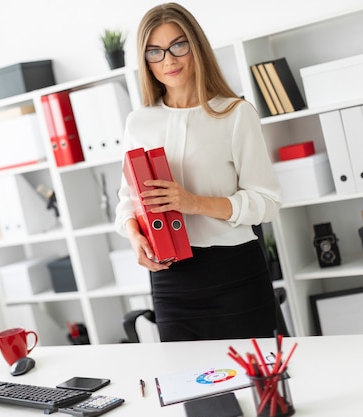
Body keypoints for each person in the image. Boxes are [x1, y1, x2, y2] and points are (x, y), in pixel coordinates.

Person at [114, 2, 282, 342]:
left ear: (196, 45)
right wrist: (136, 239)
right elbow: (127, 204)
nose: (169, 60)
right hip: (171, 280)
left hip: (234, 274)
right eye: (155, 52)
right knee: (190, 387)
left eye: (178, 45)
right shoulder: (139, 122)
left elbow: (267, 202)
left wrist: (194, 203)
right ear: (145, 60)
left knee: (258, 385)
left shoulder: (235, 114)